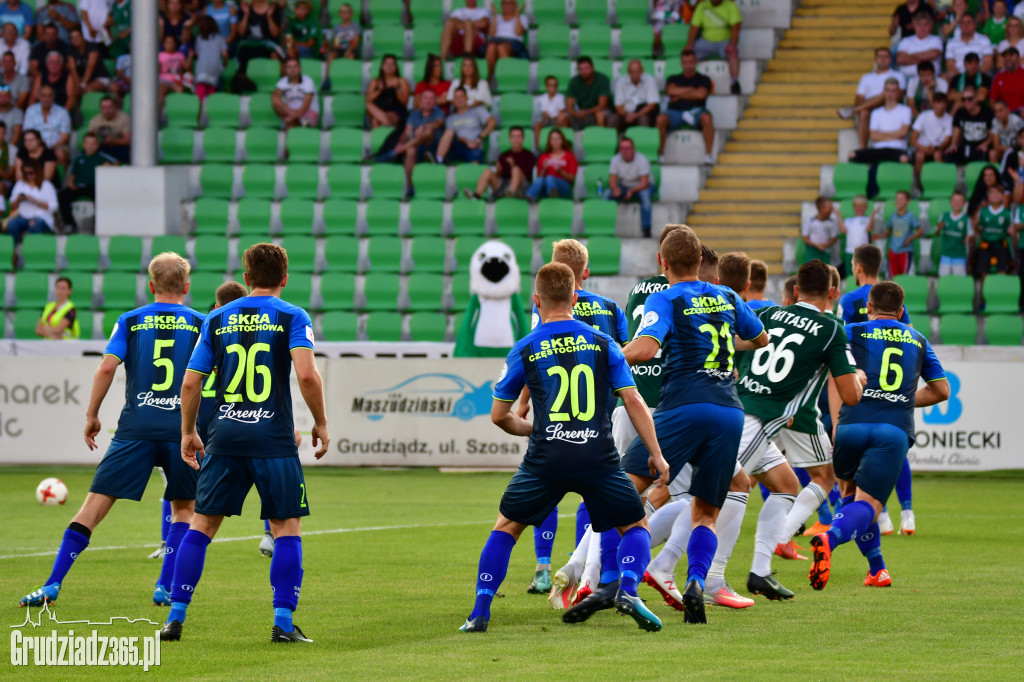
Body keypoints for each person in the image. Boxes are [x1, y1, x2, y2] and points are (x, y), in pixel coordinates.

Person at [459, 261, 669, 634]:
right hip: (598, 456)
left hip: (547, 456)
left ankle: (479, 612)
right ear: (575, 297)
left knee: (506, 527)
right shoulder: (605, 344)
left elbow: (498, 416)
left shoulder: (525, 347)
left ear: (536, 301)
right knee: (635, 525)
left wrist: (532, 428)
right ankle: (630, 591)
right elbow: (633, 402)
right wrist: (655, 452)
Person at [160, 242, 330, 643]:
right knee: (286, 526)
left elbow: (190, 382)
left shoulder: (216, 319)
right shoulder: (292, 315)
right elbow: (307, 376)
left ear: (247, 277)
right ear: (284, 279)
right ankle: (283, 624)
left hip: (226, 436)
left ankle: (175, 617)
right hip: (273, 439)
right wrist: (321, 422)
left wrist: (188, 432)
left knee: (201, 525)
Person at [17, 253, 204, 610]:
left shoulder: (131, 320)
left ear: (151, 286)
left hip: (135, 428)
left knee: (93, 507)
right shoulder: (201, 323)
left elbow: (106, 368)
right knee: (184, 509)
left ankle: (53, 584)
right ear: (186, 287)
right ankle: (164, 587)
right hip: (180, 428)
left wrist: (92, 414)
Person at [615, 226, 768, 623]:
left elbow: (645, 348)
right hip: (729, 410)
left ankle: (617, 580)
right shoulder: (729, 295)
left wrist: (607, 354)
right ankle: (696, 582)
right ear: (701, 262)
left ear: (662, 263)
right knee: (705, 513)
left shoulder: (664, 298)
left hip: (683, 406)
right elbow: (762, 337)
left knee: (622, 488)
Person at [695, 259, 865, 602]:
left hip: (751, 409)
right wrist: (859, 378)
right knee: (700, 494)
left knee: (791, 483)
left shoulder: (770, 314)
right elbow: (850, 395)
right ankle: (678, 573)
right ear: (833, 292)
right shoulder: (832, 327)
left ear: (795, 290)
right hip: (759, 417)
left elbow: (737, 361)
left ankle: (759, 571)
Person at [808, 282, 948, 591]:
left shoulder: (850, 331)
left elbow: (834, 376)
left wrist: (835, 423)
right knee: (869, 506)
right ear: (900, 312)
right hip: (892, 429)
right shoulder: (918, 339)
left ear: (869, 308)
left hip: (850, 424)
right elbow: (941, 390)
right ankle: (828, 539)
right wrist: (902, 397)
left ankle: (877, 570)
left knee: (851, 498)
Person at [657, 49, 715, 164]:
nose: (688, 65)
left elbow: (701, 94)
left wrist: (678, 95)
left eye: (691, 62)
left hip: (696, 111)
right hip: (675, 112)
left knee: (707, 118)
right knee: (660, 119)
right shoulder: (673, 78)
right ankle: (660, 154)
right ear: (681, 63)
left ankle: (708, 155)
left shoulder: (704, 79)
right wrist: (691, 89)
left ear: (696, 62)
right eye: (685, 62)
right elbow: (670, 90)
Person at [843, 48, 906, 150]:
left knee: (886, 93)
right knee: (863, 113)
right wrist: (871, 103)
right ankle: (863, 149)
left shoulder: (898, 75)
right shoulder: (866, 77)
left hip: (889, 105)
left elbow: (898, 96)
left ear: (890, 59)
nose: (883, 59)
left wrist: (879, 98)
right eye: (880, 57)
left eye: (886, 57)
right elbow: (858, 100)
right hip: (870, 109)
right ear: (875, 59)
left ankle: (853, 111)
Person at [387, 88, 445, 194]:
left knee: (428, 132)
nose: (428, 101)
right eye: (426, 98)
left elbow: (437, 123)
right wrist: (401, 142)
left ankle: (398, 151)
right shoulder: (414, 115)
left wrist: (423, 127)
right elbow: (406, 132)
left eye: (432, 98)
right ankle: (410, 186)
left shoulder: (439, 112)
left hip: (432, 147)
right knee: (410, 151)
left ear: (435, 101)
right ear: (420, 100)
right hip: (417, 147)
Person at [58, 132, 116, 232]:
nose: (90, 146)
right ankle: (70, 224)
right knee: (63, 195)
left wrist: (108, 166)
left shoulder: (101, 157)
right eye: (88, 143)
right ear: (83, 144)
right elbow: (72, 175)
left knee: (100, 197)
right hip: (78, 186)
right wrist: (71, 182)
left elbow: (116, 163)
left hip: (94, 186)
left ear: (97, 145)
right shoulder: (78, 158)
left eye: (93, 143)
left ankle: (98, 225)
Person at [849, 78, 912, 165]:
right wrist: (895, 134)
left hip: (897, 148)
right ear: (884, 91)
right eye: (888, 90)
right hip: (879, 148)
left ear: (898, 92)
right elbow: (873, 136)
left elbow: (903, 133)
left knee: (904, 158)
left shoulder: (906, 110)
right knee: (853, 155)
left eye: (893, 91)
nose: (890, 94)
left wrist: (882, 135)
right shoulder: (876, 112)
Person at [685, 0, 742, 95]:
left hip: (724, 41)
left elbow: (736, 27)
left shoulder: (731, 6)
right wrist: (690, 44)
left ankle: (734, 82)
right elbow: (694, 27)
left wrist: (732, 44)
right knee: (689, 54)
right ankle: (688, 82)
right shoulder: (702, 6)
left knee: (733, 52)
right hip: (705, 41)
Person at [464, 125, 534, 200]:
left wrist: (513, 165)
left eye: (519, 136)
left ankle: (511, 192)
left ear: (523, 138)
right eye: (513, 136)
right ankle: (477, 196)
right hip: (504, 186)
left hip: (520, 188)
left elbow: (527, 176)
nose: (516, 139)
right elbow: (500, 176)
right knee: (487, 172)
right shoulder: (503, 156)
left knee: (516, 169)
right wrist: (499, 171)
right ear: (510, 138)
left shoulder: (529, 156)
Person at [434, 86, 495, 167]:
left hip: (473, 146)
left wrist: (479, 138)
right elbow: (450, 137)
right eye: (456, 97)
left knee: (475, 158)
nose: (459, 100)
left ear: (467, 98)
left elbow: (492, 122)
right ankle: (438, 160)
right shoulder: (450, 118)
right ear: (453, 101)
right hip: (456, 146)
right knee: (449, 131)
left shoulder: (477, 110)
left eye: (461, 97)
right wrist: (466, 141)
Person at [605, 137, 653, 237]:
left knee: (645, 196)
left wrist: (631, 191)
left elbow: (645, 183)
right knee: (607, 194)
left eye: (628, 148)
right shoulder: (615, 160)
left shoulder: (642, 159)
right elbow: (612, 181)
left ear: (633, 149)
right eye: (622, 148)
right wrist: (615, 189)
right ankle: (605, 226)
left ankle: (646, 228)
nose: (625, 151)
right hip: (624, 186)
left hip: (642, 187)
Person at [6, 160, 57, 245]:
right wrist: (19, 199)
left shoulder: (46, 185)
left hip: (42, 217)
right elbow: (12, 205)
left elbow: (54, 207)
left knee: (33, 224)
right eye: (25, 173)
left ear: (37, 171)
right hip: (23, 217)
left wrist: (35, 201)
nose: (28, 175)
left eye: (31, 172)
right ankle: (13, 252)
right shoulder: (20, 184)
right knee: (12, 224)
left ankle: (36, 253)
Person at [234, 0, 284, 80]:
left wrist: (269, 17)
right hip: (248, 45)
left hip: (268, 44)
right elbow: (241, 32)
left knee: (274, 54)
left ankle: (281, 81)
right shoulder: (245, 8)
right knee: (243, 51)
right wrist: (246, 15)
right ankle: (243, 82)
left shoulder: (274, 8)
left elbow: (275, 34)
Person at [524, 127, 577, 201]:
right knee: (541, 180)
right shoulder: (543, 156)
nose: (555, 141)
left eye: (558, 139)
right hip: (545, 189)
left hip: (563, 188)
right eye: (552, 139)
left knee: (550, 178)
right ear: (549, 141)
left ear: (562, 140)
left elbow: (572, 179)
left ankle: (553, 195)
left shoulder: (569, 156)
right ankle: (528, 197)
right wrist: (543, 169)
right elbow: (539, 177)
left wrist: (561, 171)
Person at [973, 183, 1014, 278]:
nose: (995, 195)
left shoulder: (1007, 213)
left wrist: (1010, 231)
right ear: (989, 196)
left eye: (998, 193)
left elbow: (1010, 230)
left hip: (1001, 244)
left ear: (1003, 196)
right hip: (985, 243)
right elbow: (979, 229)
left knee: (1003, 268)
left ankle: (1000, 290)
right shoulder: (983, 211)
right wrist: (976, 225)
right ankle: (986, 291)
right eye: (993, 193)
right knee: (984, 269)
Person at [947, 85, 995, 163]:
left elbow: (992, 134)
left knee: (982, 154)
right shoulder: (960, 113)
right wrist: (953, 144)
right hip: (966, 146)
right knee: (950, 154)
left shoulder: (987, 113)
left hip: (981, 146)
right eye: (964, 99)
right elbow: (956, 132)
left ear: (976, 99)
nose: (967, 102)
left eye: (970, 99)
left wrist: (985, 144)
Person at [562, 56, 612, 130]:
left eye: (586, 68)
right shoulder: (574, 81)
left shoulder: (602, 79)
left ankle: (600, 139)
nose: (584, 71)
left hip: (597, 112)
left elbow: (602, 105)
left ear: (592, 68)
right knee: (562, 117)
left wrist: (587, 112)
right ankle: (563, 140)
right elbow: (569, 105)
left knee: (600, 115)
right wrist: (576, 113)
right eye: (581, 69)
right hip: (580, 113)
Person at [911, 91, 953, 178]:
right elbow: (913, 139)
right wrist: (923, 148)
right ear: (933, 104)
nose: (941, 106)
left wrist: (937, 147)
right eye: (938, 102)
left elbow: (947, 140)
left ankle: (939, 183)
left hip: (938, 147)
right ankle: (920, 187)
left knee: (937, 155)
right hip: (922, 147)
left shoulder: (949, 118)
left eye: (943, 103)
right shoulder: (923, 116)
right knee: (919, 156)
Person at [612, 59, 660, 133]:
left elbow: (652, 105)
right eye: (632, 72)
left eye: (638, 72)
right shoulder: (621, 82)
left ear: (642, 70)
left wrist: (636, 115)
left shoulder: (650, 80)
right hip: (625, 114)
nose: (635, 74)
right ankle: (615, 144)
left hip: (642, 113)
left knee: (643, 119)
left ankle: (644, 144)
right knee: (613, 119)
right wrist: (626, 115)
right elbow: (618, 105)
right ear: (628, 71)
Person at [484, 0, 527, 81]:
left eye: (510, 3)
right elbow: (491, 34)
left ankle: (505, 79)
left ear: (515, 5)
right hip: (495, 41)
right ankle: (487, 81)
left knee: (501, 47)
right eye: (505, 3)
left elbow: (518, 33)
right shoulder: (497, 17)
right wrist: (495, 15)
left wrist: (517, 15)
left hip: (513, 43)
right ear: (502, 5)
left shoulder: (522, 17)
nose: (507, 5)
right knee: (491, 47)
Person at [896, 11, 944, 81]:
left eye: (925, 25)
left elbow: (933, 54)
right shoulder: (905, 41)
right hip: (907, 78)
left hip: (931, 78)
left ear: (931, 25)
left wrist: (910, 55)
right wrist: (926, 61)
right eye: (919, 25)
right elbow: (900, 59)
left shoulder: (936, 40)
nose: (922, 28)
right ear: (914, 25)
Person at [365, 53, 409, 129]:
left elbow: (405, 102)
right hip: (378, 109)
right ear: (382, 66)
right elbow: (368, 100)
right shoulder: (375, 82)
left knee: (375, 121)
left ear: (396, 67)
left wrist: (397, 89)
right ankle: (387, 125)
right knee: (370, 108)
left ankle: (384, 126)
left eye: (392, 64)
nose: (389, 66)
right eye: (386, 64)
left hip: (395, 111)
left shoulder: (401, 81)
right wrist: (379, 90)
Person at [934, 190, 973, 275]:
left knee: (959, 280)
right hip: (946, 253)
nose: (957, 203)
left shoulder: (966, 219)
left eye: (960, 201)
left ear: (964, 203)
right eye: (955, 201)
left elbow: (970, 234)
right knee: (943, 279)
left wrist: (967, 239)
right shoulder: (944, 216)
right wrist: (939, 229)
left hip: (959, 254)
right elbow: (936, 233)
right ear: (950, 202)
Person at [884, 190, 922, 276]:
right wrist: (878, 236)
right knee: (893, 278)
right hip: (893, 251)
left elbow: (920, 231)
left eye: (901, 199)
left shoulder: (911, 216)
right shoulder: (892, 216)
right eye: (896, 199)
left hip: (905, 251)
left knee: (905, 277)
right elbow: (889, 232)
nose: (898, 201)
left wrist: (910, 239)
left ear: (907, 201)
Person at [273, 56, 318, 129]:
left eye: (295, 67)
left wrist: (294, 116)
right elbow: (275, 97)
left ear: (300, 68)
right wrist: (289, 112)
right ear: (286, 69)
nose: (292, 70)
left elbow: (306, 104)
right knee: (275, 102)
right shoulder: (282, 81)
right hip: (290, 113)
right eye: (289, 67)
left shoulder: (308, 81)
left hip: (307, 113)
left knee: (291, 124)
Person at [30, 50, 78, 114]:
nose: (54, 65)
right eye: (51, 62)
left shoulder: (68, 77)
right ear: (47, 64)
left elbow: (71, 98)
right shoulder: (41, 76)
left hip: (62, 110)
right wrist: (30, 113)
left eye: (57, 62)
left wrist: (63, 114)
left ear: (61, 64)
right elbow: (33, 97)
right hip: (42, 112)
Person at [945, 13, 994, 77]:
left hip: (979, 75)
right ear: (959, 26)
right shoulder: (951, 42)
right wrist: (962, 78)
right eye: (963, 23)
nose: (966, 25)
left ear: (975, 25)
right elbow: (950, 65)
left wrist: (973, 76)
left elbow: (988, 63)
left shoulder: (984, 40)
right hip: (957, 76)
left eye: (969, 22)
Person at [837, 195, 875, 277]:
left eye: (861, 206)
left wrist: (872, 215)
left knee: (862, 275)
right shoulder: (848, 220)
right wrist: (838, 215)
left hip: (862, 253)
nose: (859, 208)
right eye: (857, 206)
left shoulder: (867, 219)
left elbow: (869, 228)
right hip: (849, 252)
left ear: (866, 207)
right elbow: (843, 230)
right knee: (850, 275)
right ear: (853, 207)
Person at [88, 95, 131, 164]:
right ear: (100, 108)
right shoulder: (95, 120)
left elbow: (128, 141)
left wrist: (112, 141)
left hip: (121, 148)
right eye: (104, 108)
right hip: (102, 148)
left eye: (110, 107)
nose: (107, 110)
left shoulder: (124, 118)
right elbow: (90, 138)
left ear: (115, 107)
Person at [68, 26, 109, 96]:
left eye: (77, 37)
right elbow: (73, 69)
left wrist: (82, 85)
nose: (75, 39)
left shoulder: (92, 47)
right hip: (82, 80)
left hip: (100, 78)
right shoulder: (71, 49)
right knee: (72, 91)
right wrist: (78, 85)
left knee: (87, 90)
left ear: (82, 37)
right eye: (72, 38)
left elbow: (90, 67)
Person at [323, 2, 360, 77]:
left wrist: (349, 50)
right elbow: (335, 42)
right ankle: (327, 78)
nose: (344, 14)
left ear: (351, 14)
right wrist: (334, 46)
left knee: (350, 56)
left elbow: (356, 42)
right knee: (330, 56)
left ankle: (350, 76)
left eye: (346, 12)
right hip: (340, 49)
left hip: (351, 49)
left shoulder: (355, 25)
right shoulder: (336, 27)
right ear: (339, 14)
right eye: (342, 12)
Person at [35, 275, 78, 339]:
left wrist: (44, 327)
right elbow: (37, 329)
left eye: (63, 288)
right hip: (48, 344)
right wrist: (52, 335)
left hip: (65, 344)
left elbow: (58, 330)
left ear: (69, 291)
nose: (59, 291)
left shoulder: (71, 309)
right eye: (57, 287)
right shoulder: (48, 306)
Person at [802, 195, 839, 264]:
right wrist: (817, 245)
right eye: (830, 207)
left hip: (824, 252)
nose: (832, 210)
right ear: (822, 209)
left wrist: (826, 245)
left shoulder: (831, 222)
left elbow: (834, 238)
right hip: (812, 251)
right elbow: (804, 237)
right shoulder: (811, 221)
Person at [158, 35, 191, 108]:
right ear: (163, 45)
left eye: (172, 43)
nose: (169, 45)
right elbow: (157, 70)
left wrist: (190, 57)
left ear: (175, 44)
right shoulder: (160, 55)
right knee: (160, 91)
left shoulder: (180, 55)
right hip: (163, 80)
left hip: (176, 80)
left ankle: (176, 112)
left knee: (180, 90)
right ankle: (158, 114)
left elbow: (187, 67)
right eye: (167, 43)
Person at [533, 74, 565, 149]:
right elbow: (544, 113)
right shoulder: (542, 98)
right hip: (547, 119)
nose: (552, 88)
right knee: (537, 125)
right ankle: (538, 147)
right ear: (546, 86)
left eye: (554, 85)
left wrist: (553, 118)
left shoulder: (561, 97)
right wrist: (546, 118)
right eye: (550, 85)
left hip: (557, 120)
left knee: (562, 121)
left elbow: (560, 113)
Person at [991, 46, 1024, 113]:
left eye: (1011, 56)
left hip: (1021, 113)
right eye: (1005, 56)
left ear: (1018, 58)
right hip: (1003, 114)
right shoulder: (999, 77)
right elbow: (992, 100)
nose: (1008, 59)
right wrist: (999, 111)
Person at [990, 98, 1024, 162]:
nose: (998, 114)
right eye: (996, 111)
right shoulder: (995, 121)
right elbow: (996, 145)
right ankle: (995, 171)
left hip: (1017, 149)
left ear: (1007, 110)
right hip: (1004, 149)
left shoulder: (1015, 121)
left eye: (1001, 110)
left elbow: (1022, 140)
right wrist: (1008, 149)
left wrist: (1013, 149)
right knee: (993, 153)